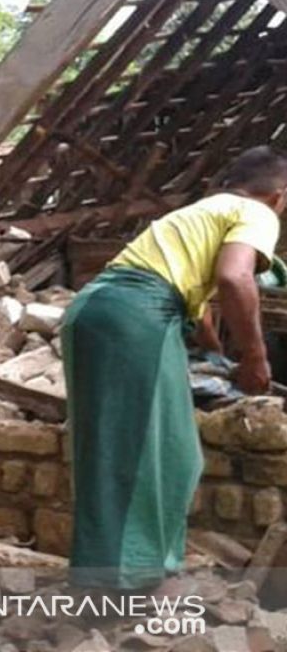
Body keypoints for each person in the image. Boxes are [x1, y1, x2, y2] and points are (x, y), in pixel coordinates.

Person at [62, 146, 287, 590]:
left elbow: (197, 304)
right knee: (142, 452)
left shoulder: (202, 211)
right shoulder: (257, 213)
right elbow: (235, 278)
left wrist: (213, 350)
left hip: (97, 310)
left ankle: (135, 570)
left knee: (158, 450)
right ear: (279, 195)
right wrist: (254, 358)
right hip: (134, 315)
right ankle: (123, 582)